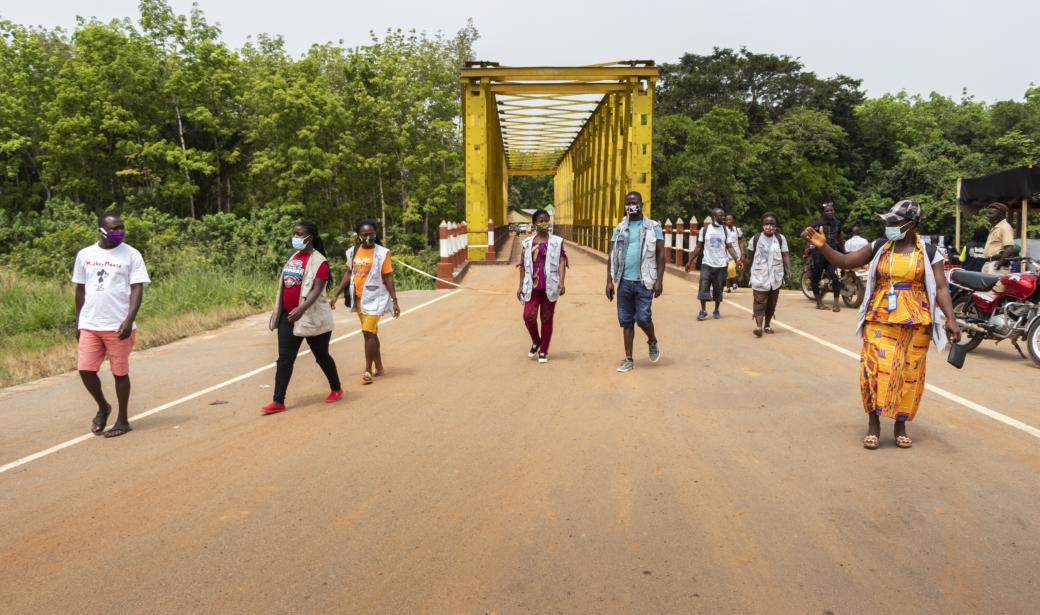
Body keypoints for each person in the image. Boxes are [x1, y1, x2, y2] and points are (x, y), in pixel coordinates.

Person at [802, 199, 961, 450]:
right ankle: (873, 424)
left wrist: (951, 319)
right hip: (879, 318)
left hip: (916, 323)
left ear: (911, 224)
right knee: (874, 370)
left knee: (909, 375)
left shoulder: (929, 252)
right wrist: (823, 247)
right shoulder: (878, 246)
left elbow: (941, 287)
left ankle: (900, 425)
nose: (889, 225)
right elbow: (845, 262)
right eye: (888, 221)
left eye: (894, 222)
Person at [73, 213, 150, 438]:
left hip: (118, 325)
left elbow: (137, 288)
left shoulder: (132, 254)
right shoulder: (85, 254)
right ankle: (103, 407)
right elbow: (79, 289)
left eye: (121, 227)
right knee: (85, 370)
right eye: (114, 228)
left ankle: (123, 420)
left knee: (119, 373)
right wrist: (79, 322)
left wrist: (129, 319)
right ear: (102, 230)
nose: (119, 231)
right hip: (90, 323)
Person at [262, 221, 342, 414]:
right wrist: (280, 311)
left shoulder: (319, 261)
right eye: (294, 234)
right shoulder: (294, 257)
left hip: (311, 317)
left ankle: (336, 388)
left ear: (310, 237)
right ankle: (278, 401)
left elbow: (316, 289)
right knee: (284, 359)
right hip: (288, 317)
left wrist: (301, 308)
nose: (295, 238)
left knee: (321, 356)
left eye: (299, 234)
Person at [331, 220, 401, 384]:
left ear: (376, 234)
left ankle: (368, 370)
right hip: (359, 298)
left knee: (367, 333)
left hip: (376, 298)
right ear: (359, 235)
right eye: (365, 234)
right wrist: (336, 294)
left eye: (371, 234)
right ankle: (380, 366)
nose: (368, 237)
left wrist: (394, 300)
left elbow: (388, 276)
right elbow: (349, 273)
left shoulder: (382, 253)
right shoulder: (352, 252)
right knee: (371, 333)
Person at [606, 191, 664, 372]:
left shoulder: (653, 227)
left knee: (643, 318)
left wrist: (659, 280)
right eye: (628, 202)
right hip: (624, 280)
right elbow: (612, 254)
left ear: (641, 204)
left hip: (645, 280)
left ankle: (652, 340)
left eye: (634, 202)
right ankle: (628, 358)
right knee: (626, 321)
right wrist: (609, 280)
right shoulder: (620, 227)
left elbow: (661, 254)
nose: (631, 205)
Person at [517, 209, 568, 363]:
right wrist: (519, 286)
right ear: (534, 223)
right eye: (540, 220)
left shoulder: (557, 242)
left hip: (549, 285)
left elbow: (561, 260)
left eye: (546, 219)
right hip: (531, 286)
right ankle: (536, 341)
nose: (544, 223)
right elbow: (523, 265)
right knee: (528, 316)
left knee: (546, 318)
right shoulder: (527, 243)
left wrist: (562, 282)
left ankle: (544, 350)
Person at [743, 212, 792, 337]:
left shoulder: (781, 239)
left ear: (776, 226)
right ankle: (759, 326)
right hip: (759, 276)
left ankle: (767, 324)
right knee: (759, 302)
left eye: (772, 224)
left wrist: (789, 271)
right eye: (766, 224)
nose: (769, 226)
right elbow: (749, 258)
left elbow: (785, 255)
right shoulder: (755, 239)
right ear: (762, 225)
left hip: (775, 277)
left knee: (771, 303)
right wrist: (742, 274)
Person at [687, 207, 740, 320]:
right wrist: (690, 261)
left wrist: (736, 258)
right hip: (707, 264)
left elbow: (729, 247)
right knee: (703, 287)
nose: (723, 217)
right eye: (721, 216)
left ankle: (716, 309)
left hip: (721, 264)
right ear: (714, 217)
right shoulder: (705, 230)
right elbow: (699, 246)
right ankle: (703, 310)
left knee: (718, 289)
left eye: (724, 215)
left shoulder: (725, 231)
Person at [808, 202, 845, 312]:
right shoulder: (817, 224)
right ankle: (819, 303)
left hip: (833, 253)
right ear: (823, 213)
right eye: (827, 211)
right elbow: (806, 236)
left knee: (836, 276)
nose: (830, 212)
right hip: (819, 254)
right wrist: (809, 247)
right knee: (815, 278)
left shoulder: (837, 223)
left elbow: (840, 238)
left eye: (831, 210)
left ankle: (836, 304)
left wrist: (844, 252)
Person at [982, 203, 1015, 274]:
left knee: (995, 285)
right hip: (988, 263)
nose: (987, 215)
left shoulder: (1005, 227)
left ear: (1000, 215)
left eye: (990, 214)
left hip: (996, 264)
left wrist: (1000, 263)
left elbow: (1009, 248)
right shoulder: (995, 227)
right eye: (987, 213)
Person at [724, 213, 744, 292]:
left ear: (733, 220)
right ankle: (728, 287)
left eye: (730, 219)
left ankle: (735, 282)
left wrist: (742, 252)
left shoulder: (737, 230)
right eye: (727, 220)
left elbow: (741, 242)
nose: (728, 221)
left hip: (735, 252)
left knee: (731, 268)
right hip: (725, 253)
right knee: (726, 270)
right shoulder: (723, 230)